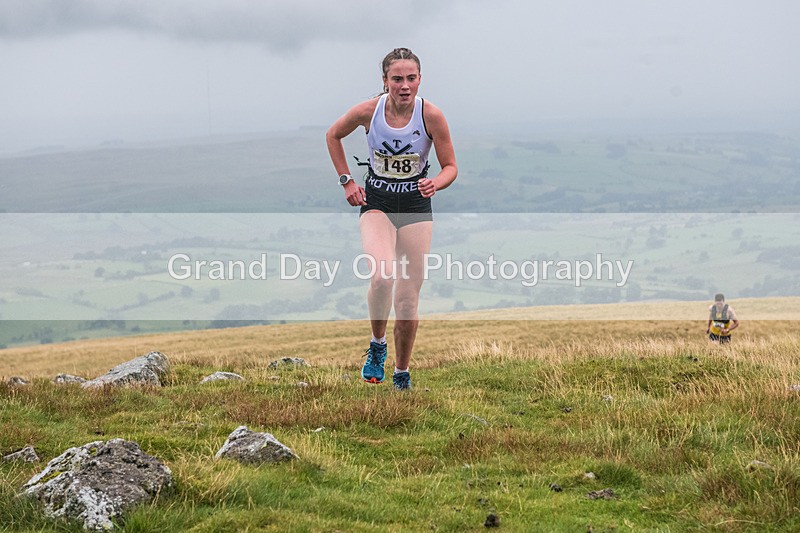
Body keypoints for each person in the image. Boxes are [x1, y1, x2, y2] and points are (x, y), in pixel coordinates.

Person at [326, 48, 457, 390]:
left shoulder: (432, 116)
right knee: (383, 277)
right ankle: (377, 344)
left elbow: (451, 167)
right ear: (384, 81)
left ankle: (402, 373)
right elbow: (333, 135)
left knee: (408, 298)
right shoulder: (368, 111)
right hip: (378, 204)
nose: (404, 85)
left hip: (415, 207)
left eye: (410, 78)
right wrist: (346, 181)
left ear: (419, 80)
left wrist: (435, 182)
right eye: (397, 79)